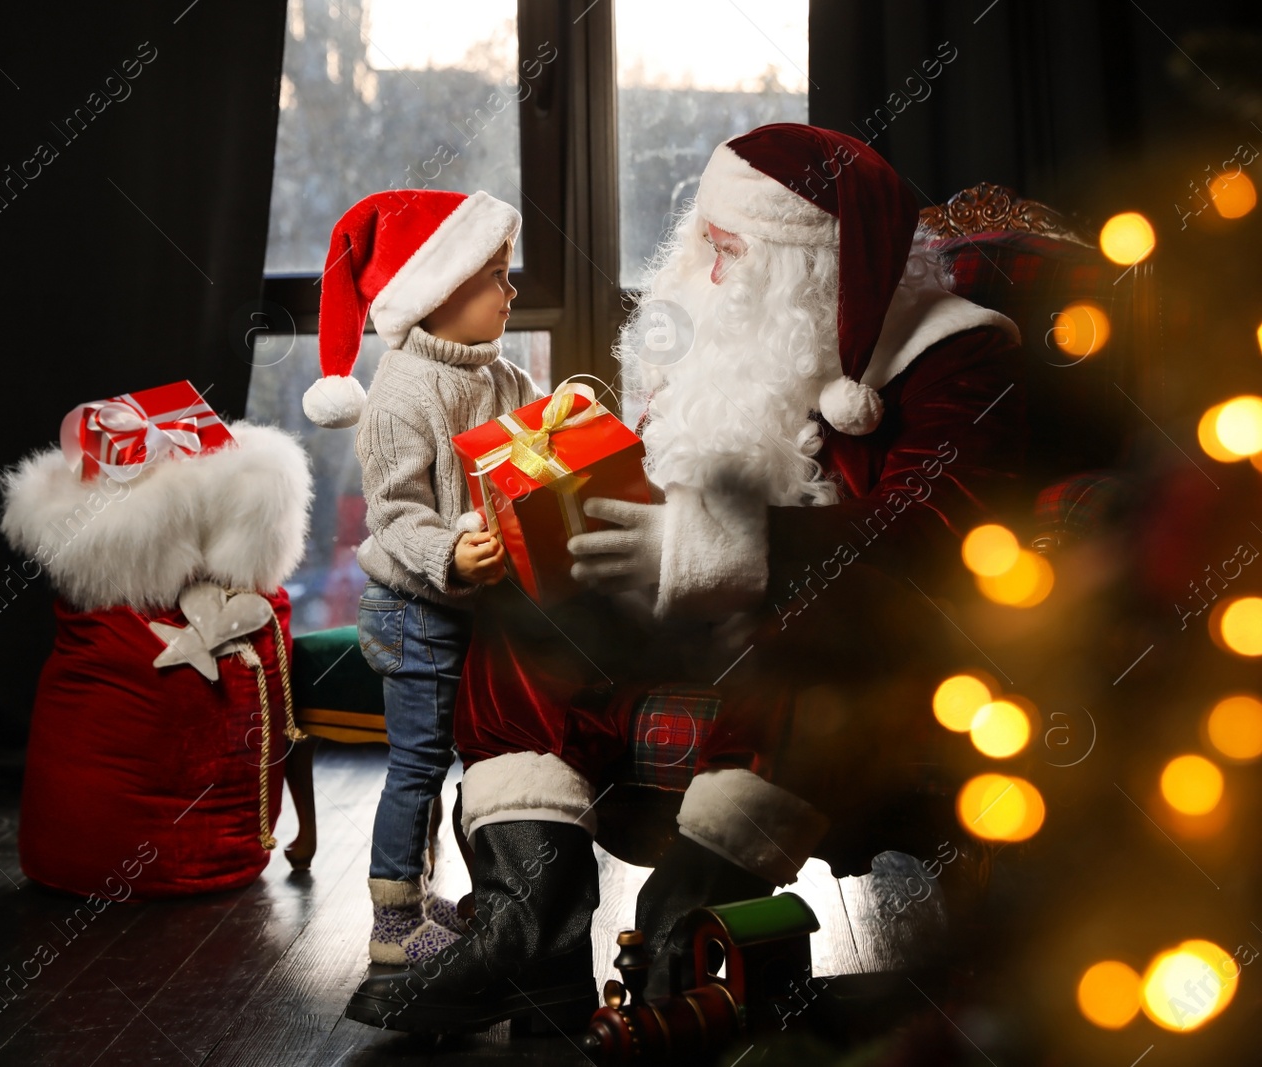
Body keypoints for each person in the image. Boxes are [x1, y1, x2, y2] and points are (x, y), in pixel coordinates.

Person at [344, 124, 1026, 1032]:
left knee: (812, 637)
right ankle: (530, 932)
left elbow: (932, 539)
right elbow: (655, 474)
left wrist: (701, 548)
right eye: (704, 240)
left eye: (731, 249)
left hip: (823, 626)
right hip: (679, 615)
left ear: (813, 266)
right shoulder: (719, 331)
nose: (706, 271)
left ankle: (687, 914)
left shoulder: (953, 353)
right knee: (527, 614)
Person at [302, 189, 541, 965]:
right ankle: (392, 917)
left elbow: (533, 455)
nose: (512, 292)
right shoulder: (402, 395)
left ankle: (454, 885)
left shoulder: (504, 377)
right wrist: (449, 552)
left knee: (480, 751)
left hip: (483, 610)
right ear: (438, 291)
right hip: (415, 611)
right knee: (418, 762)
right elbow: (395, 515)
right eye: (496, 276)